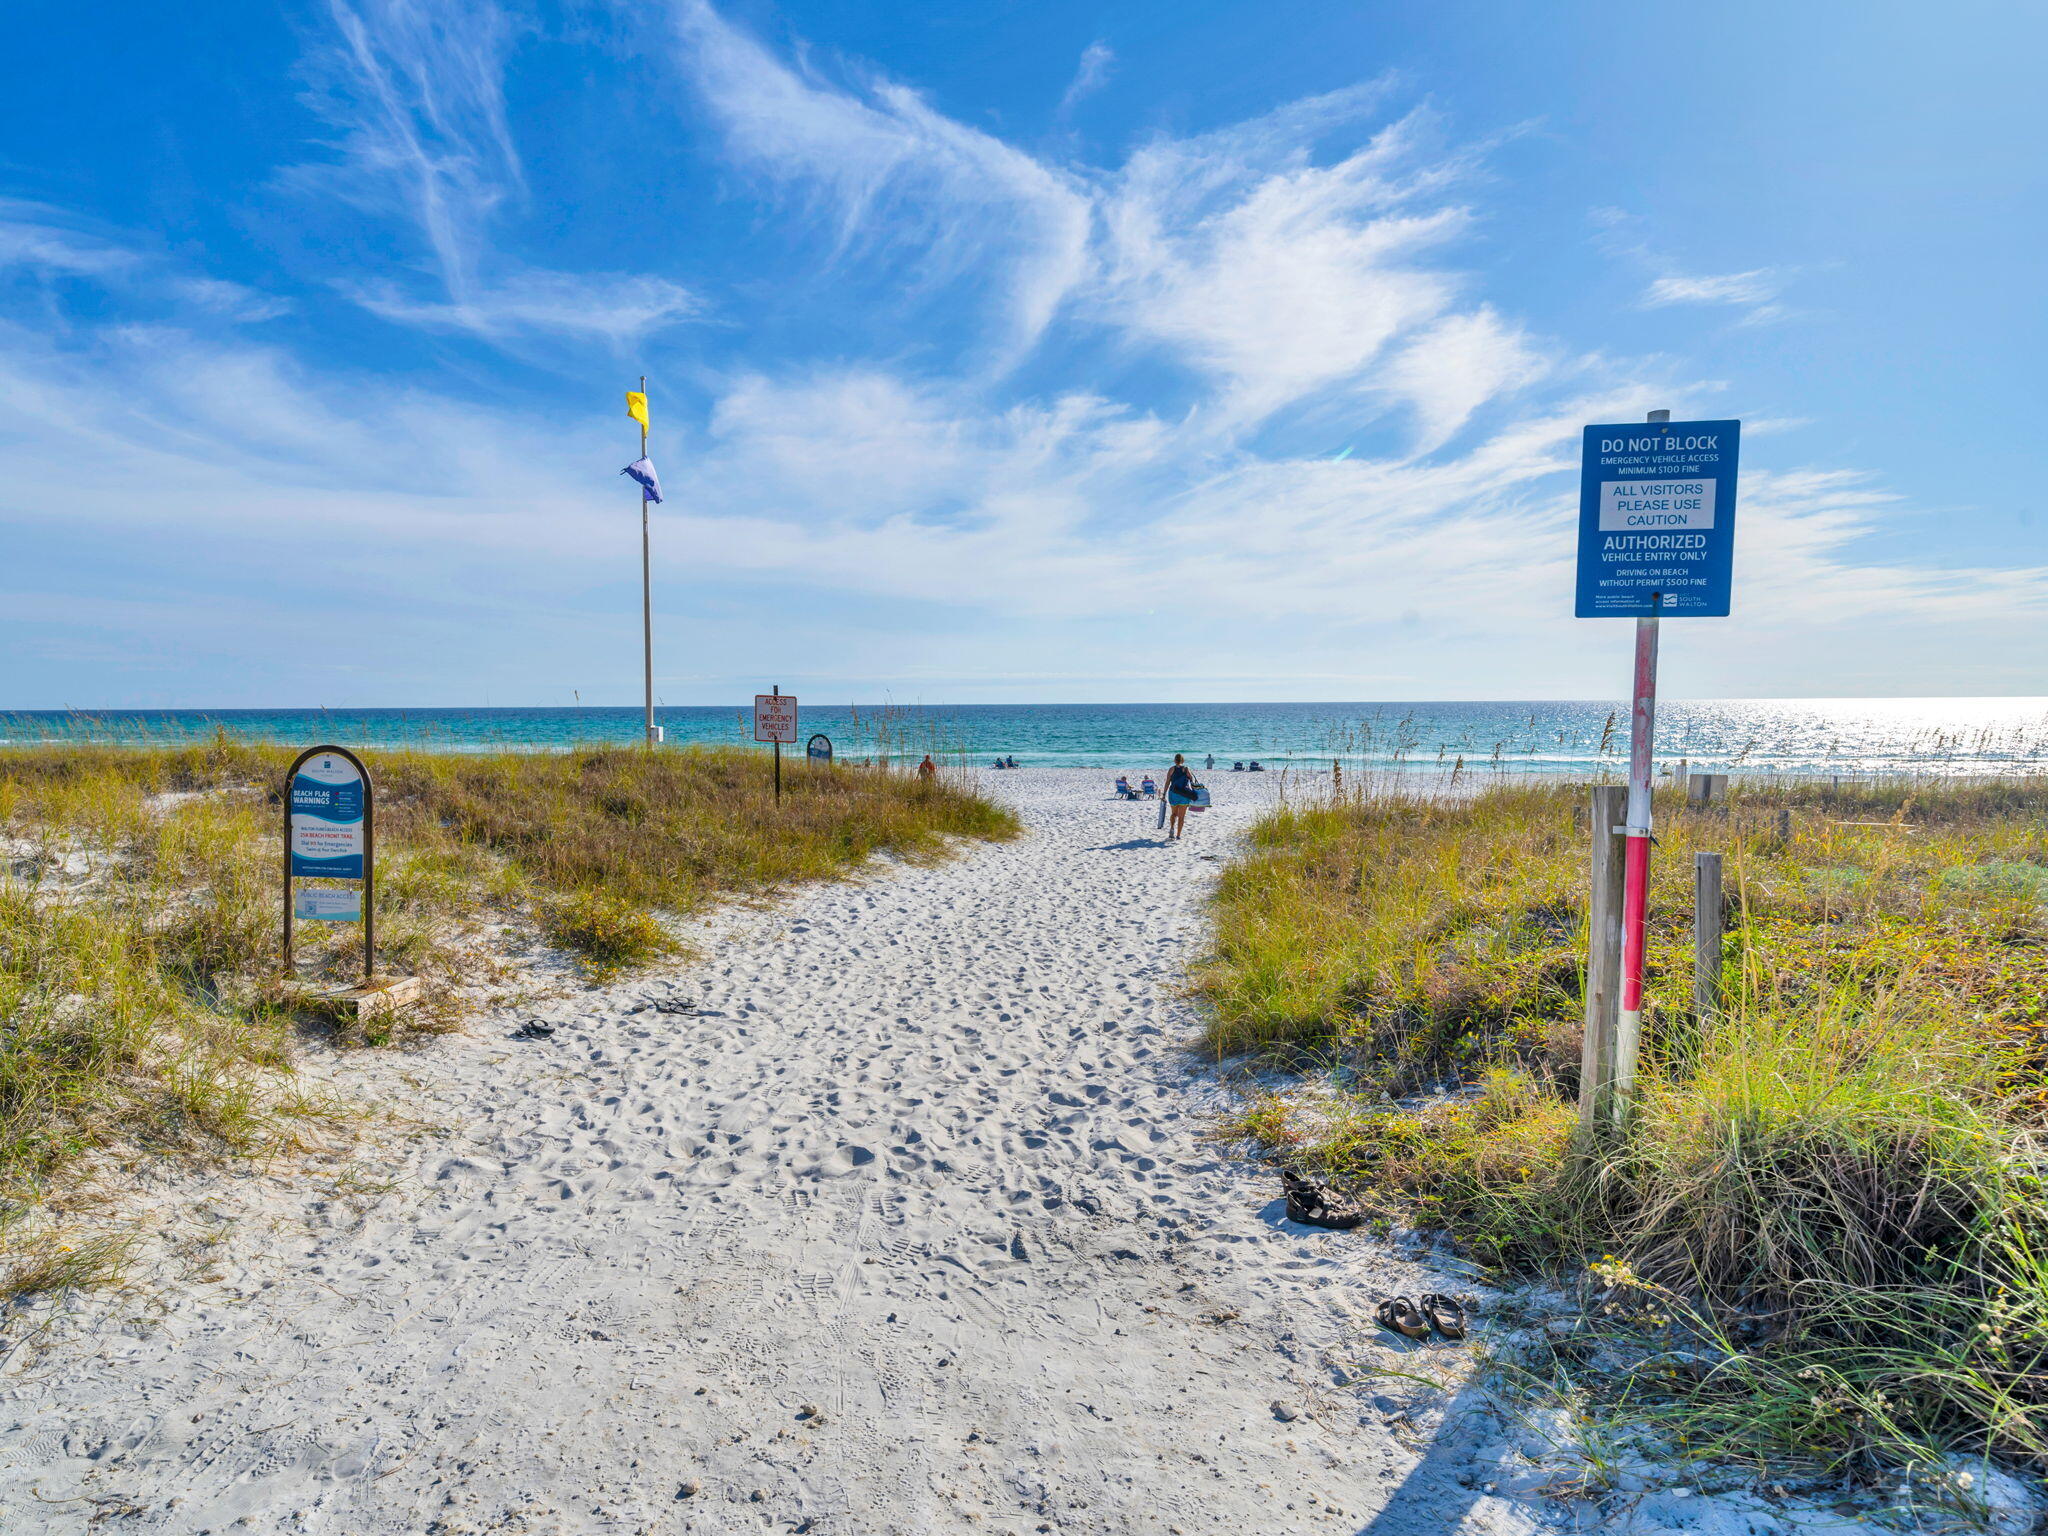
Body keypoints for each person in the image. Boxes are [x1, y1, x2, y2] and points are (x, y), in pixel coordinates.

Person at [1164, 753, 1200, 839]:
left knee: (1173, 813)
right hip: (1184, 794)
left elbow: (1167, 782)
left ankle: (1172, 828)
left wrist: (1164, 793)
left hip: (1173, 793)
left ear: (1174, 760)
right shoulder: (1186, 769)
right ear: (1183, 760)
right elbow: (1191, 780)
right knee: (1181, 816)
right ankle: (1178, 835)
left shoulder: (1171, 769)